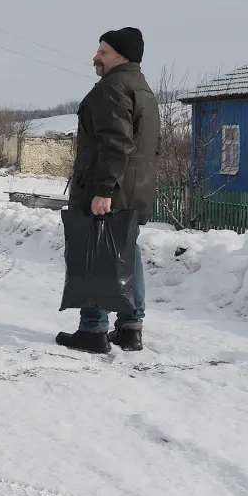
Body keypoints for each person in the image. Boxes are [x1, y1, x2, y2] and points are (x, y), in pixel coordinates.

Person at [56, 27, 160, 354]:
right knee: (126, 251)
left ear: (122, 56)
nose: (95, 57)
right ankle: (131, 328)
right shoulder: (142, 88)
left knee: (96, 252)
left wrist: (103, 189)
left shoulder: (112, 89)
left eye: (103, 52)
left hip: (108, 187)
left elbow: (116, 143)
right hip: (135, 186)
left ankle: (93, 330)